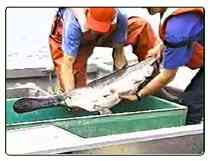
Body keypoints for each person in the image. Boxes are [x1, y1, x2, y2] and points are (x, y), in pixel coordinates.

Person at [120, 7, 204, 125]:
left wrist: (138, 96)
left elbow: (168, 75)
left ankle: (192, 139)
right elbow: (189, 29)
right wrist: (160, 47)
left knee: (192, 106)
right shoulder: (174, 13)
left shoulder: (177, 29)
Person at [49, 8, 158, 93]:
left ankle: (152, 82)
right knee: (76, 92)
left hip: (107, 29)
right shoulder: (72, 23)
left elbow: (118, 54)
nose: (96, 31)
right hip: (73, 37)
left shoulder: (120, 17)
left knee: (140, 26)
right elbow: (67, 65)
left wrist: (121, 85)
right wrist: (71, 96)